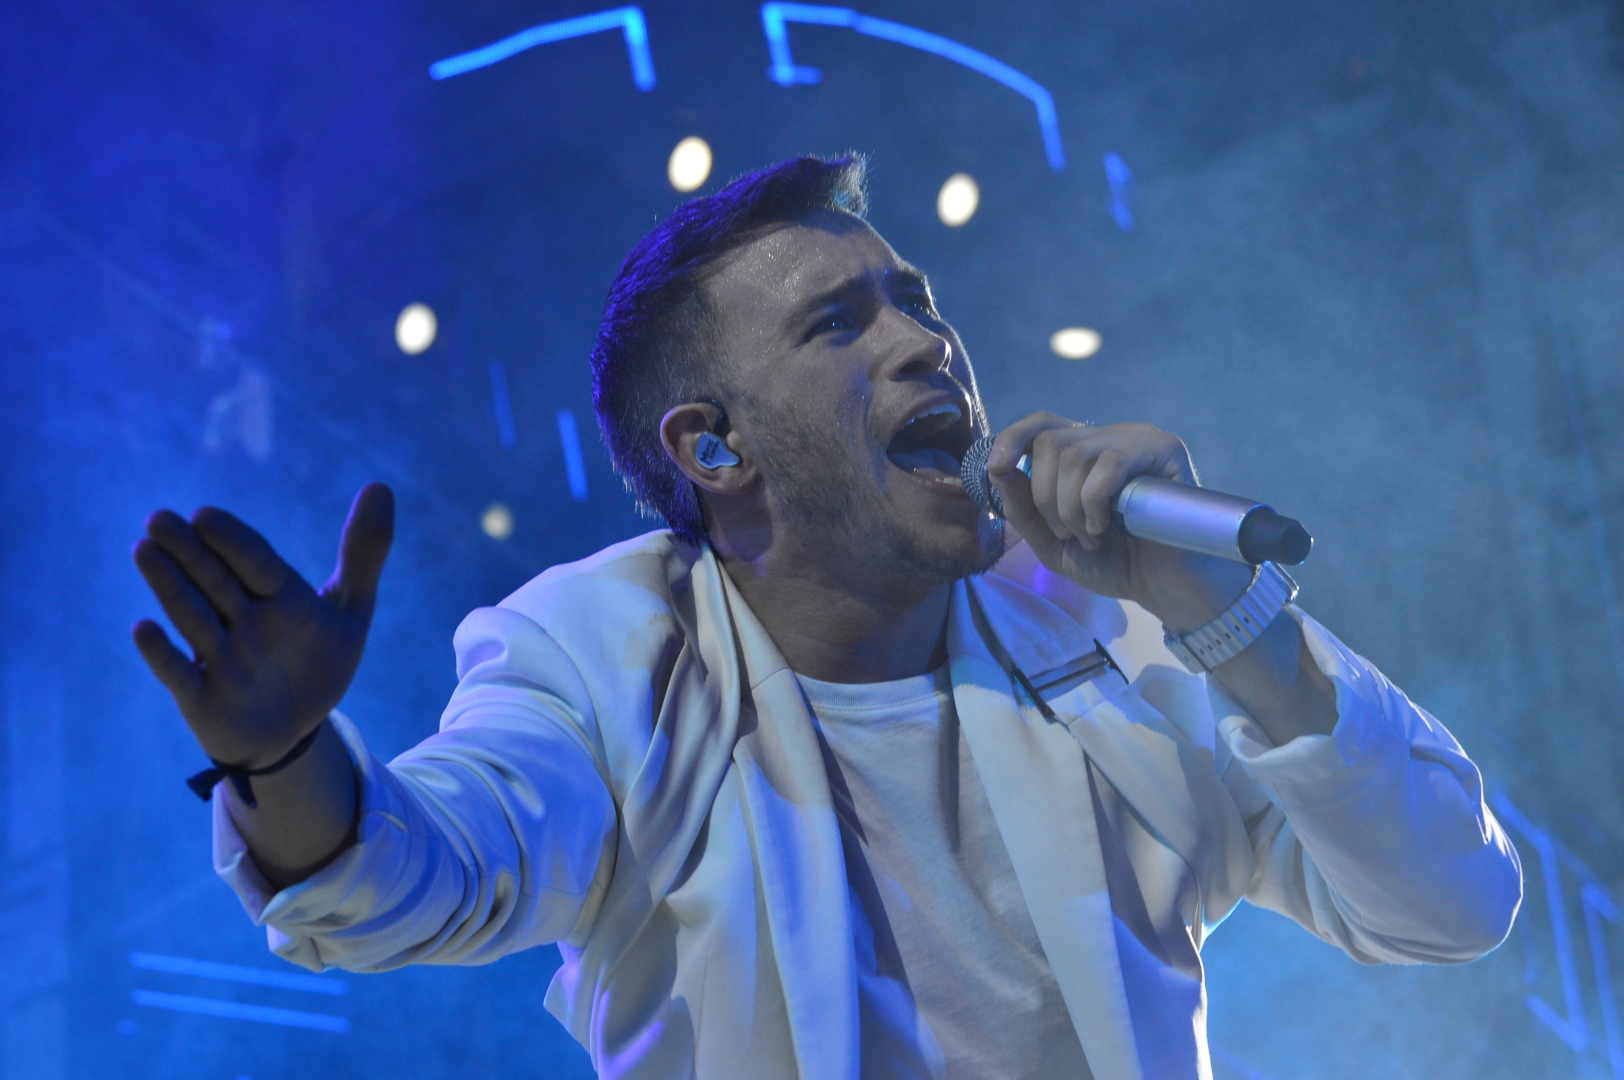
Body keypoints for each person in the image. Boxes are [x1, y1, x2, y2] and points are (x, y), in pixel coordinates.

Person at [132, 155, 1521, 1080]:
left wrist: (1236, 621)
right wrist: (284, 758)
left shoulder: (1121, 637)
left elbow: (1452, 908)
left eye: (915, 302)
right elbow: (419, 877)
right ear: (715, 449)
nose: (930, 342)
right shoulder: (604, 654)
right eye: (841, 324)